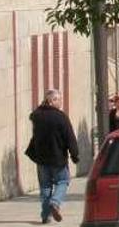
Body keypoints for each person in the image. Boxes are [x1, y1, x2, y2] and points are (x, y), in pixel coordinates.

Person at [25, 89, 79, 224]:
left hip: (41, 159)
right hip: (57, 158)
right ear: (51, 101)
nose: (60, 102)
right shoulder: (60, 117)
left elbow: (35, 132)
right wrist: (74, 154)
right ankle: (55, 202)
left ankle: (45, 216)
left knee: (45, 186)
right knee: (63, 181)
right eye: (58, 99)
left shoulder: (37, 116)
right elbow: (69, 137)